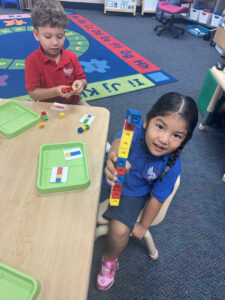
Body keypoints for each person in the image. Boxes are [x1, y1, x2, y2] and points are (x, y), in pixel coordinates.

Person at [96, 92, 199, 291]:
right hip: (107, 177)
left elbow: (157, 198)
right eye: (160, 127)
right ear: (146, 121)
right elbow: (118, 142)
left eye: (176, 135)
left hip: (131, 194)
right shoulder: (134, 132)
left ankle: (109, 259)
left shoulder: (172, 166)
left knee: (119, 232)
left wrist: (143, 225)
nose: (164, 139)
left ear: (185, 140)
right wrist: (114, 156)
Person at [25, 0, 88, 105]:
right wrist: (56, 91)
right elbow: (33, 93)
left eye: (59, 36)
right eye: (48, 36)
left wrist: (81, 84)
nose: (55, 43)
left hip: (74, 103)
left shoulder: (71, 56)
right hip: (47, 105)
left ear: (64, 34)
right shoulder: (32, 61)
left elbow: (83, 80)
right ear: (36, 34)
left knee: (93, 118)